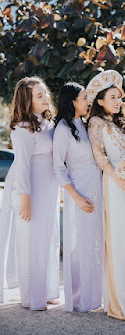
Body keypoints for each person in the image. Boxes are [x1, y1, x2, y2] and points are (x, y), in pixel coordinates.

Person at [87, 70, 125, 321]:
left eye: (119, 97)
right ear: (99, 100)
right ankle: (121, 304)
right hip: (114, 184)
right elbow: (100, 158)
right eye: (112, 97)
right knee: (119, 240)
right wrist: (119, 181)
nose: (118, 101)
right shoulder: (96, 123)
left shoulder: (121, 122)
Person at [0, 77, 59, 311]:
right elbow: (23, 165)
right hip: (29, 188)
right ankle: (32, 296)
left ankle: (47, 290)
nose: (46, 97)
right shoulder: (22, 129)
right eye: (39, 95)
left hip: (48, 188)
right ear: (27, 101)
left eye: (45, 93)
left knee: (47, 237)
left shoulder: (48, 123)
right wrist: (24, 199)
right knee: (30, 240)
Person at [53, 82, 103, 312]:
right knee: (80, 244)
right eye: (84, 97)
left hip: (97, 189)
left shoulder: (84, 125)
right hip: (80, 192)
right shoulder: (63, 129)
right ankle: (79, 299)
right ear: (72, 101)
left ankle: (95, 297)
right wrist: (76, 197)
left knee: (95, 243)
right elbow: (58, 168)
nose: (88, 101)